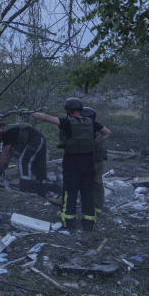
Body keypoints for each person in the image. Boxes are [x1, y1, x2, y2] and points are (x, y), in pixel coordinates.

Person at [32, 98, 111, 231]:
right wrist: (94, 143)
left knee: (70, 192)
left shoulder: (67, 122)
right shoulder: (92, 122)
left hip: (72, 162)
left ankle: (69, 222)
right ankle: (89, 223)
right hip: (88, 162)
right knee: (87, 192)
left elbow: (45, 117)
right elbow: (107, 132)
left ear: (68, 110)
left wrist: (33, 113)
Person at [0, 119, 48, 195]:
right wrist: (4, 165)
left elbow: (5, 152)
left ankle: (25, 186)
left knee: (24, 161)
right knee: (37, 164)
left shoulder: (6, 134)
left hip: (36, 140)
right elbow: (9, 154)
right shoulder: (9, 135)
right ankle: (42, 187)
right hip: (38, 140)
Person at [82, 107, 108, 211]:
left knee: (89, 182)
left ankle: (92, 206)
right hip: (98, 161)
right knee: (97, 183)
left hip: (93, 161)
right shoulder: (97, 127)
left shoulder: (89, 129)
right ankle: (98, 206)